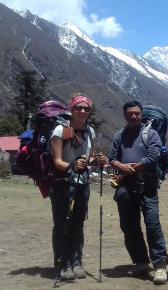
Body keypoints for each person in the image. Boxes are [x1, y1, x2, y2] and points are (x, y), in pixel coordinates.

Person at [109, 100, 168, 284]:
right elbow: (112, 157)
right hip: (126, 188)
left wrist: (129, 170)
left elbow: (153, 157)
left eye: (136, 113)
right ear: (125, 115)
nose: (133, 116)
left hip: (147, 187)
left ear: (141, 114)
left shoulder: (151, 134)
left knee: (152, 225)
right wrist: (121, 166)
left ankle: (160, 266)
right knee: (129, 226)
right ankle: (141, 262)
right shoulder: (120, 135)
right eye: (130, 114)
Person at [50, 94, 107, 280]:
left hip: (82, 184)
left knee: (77, 224)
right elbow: (57, 161)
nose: (82, 111)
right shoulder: (61, 130)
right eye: (78, 108)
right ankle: (62, 263)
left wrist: (95, 161)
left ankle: (76, 261)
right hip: (62, 185)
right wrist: (72, 166)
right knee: (62, 225)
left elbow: (86, 159)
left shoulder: (89, 131)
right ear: (71, 109)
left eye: (86, 109)